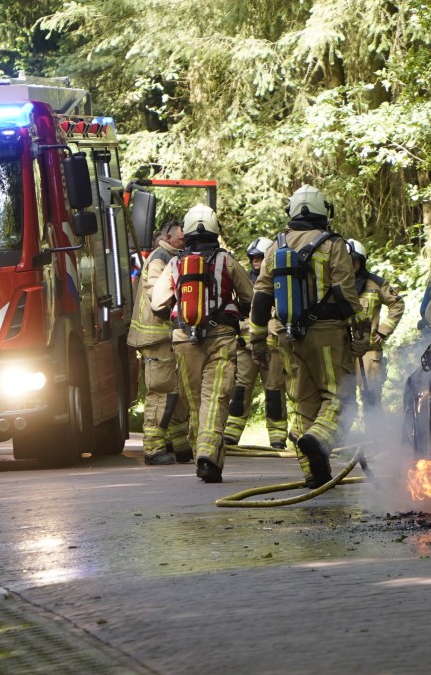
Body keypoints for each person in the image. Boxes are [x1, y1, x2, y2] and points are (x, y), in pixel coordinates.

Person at [249, 185, 366, 488]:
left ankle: (314, 473)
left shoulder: (275, 248)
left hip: (288, 336)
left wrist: (258, 339)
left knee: (303, 401)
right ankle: (317, 439)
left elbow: (261, 297)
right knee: (338, 394)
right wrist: (359, 325)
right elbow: (343, 289)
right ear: (323, 211)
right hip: (327, 334)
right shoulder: (332, 244)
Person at [149, 205, 253, 482]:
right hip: (220, 338)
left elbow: (157, 302)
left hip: (184, 341)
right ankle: (208, 455)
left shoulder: (174, 263)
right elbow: (249, 297)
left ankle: (206, 460)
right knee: (215, 397)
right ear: (215, 230)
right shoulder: (226, 261)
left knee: (195, 403)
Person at [127, 220, 192, 465]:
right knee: (162, 390)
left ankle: (180, 445)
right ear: (168, 236)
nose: (184, 242)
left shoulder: (173, 257)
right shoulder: (160, 258)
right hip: (156, 336)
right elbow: (158, 298)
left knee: (176, 391)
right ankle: (153, 449)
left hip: (166, 336)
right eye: (182, 239)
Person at [223, 237, 289, 449]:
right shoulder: (243, 281)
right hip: (245, 344)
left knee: (274, 391)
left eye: (260, 257)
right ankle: (231, 436)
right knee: (240, 390)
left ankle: (277, 438)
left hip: (271, 345)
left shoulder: (278, 282)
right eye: (252, 257)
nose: (255, 261)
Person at [346, 239, 405, 415]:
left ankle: (373, 435)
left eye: (353, 260)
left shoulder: (376, 283)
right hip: (343, 351)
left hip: (368, 351)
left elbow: (397, 304)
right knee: (344, 397)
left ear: (361, 261)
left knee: (370, 396)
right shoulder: (336, 284)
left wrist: (383, 330)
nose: (350, 264)